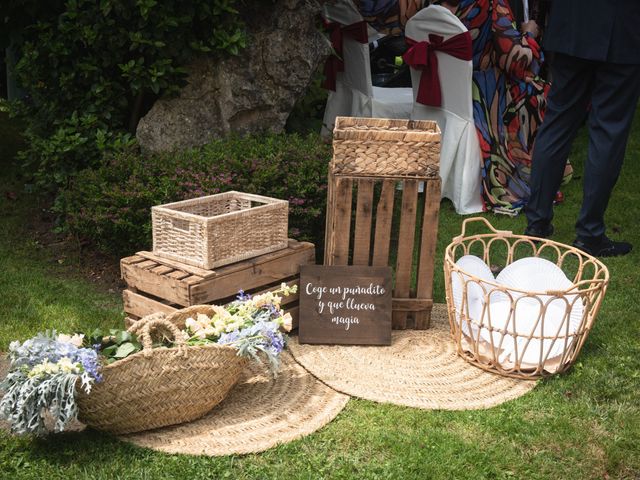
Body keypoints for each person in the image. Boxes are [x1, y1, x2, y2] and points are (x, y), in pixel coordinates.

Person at [524, 0, 640, 257]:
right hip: (622, 28)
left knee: (558, 122)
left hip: (572, 23)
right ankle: (589, 234)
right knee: (608, 130)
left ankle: (537, 224)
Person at [440, 0, 571, 215]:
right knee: (538, 91)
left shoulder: (433, 5)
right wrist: (528, 34)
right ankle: (532, 168)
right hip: (483, 89)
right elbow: (513, 59)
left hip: (443, 84)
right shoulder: (491, 4)